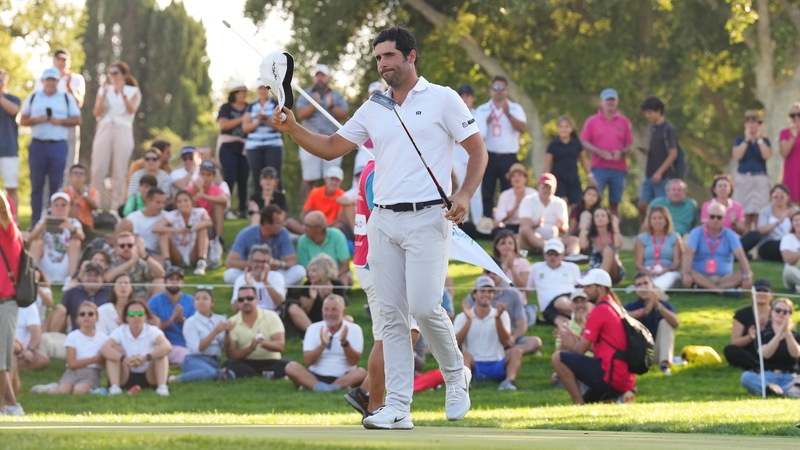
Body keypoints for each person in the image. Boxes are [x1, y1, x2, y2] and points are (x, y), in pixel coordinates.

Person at [272, 26, 486, 428]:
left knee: (424, 307)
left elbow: (477, 150)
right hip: (383, 219)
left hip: (429, 217)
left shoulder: (443, 98)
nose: (383, 64)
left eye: (389, 55)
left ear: (411, 56)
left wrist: (465, 194)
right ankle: (397, 408)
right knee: (392, 319)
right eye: (378, 58)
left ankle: (456, 374)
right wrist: (293, 129)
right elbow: (332, 147)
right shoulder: (374, 107)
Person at [550, 269, 636, 405]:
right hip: (623, 376)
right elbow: (599, 348)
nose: (585, 290)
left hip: (610, 374)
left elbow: (579, 351)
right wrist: (575, 338)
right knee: (590, 402)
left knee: (557, 357)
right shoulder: (614, 307)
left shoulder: (599, 311)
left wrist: (571, 344)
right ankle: (617, 397)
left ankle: (578, 404)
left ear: (600, 288)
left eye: (588, 287)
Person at [20, 66, 82, 223]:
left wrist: (60, 121)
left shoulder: (66, 98)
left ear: (57, 81)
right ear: (43, 81)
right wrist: (36, 120)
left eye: (53, 80)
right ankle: (36, 221)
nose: (50, 83)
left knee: (56, 184)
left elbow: (77, 119)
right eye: (48, 80)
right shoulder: (34, 97)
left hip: (58, 145)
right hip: (38, 144)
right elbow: (23, 120)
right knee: (37, 184)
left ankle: (54, 221)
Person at [475, 75, 527, 228]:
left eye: (502, 88)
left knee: (509, 191)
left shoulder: (515, 108)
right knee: (487, 191)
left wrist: (508, 114)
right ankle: (487, 224)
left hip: (508, 157)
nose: (499, 91)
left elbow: (523, 128)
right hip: (489, 155)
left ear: (507, 90)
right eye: (495, 88)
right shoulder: (482, 109)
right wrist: (486, 121)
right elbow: (475, 132)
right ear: (491, 90)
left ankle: (509, 223)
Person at [454, 276, 523, 391]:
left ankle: (509, 382)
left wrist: (497, 319)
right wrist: (469, 320)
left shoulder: (501, 315)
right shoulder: (462, 317)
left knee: (517, 352)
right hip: (473, 365)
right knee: (464, 354)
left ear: (493, 295)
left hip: (497, 363)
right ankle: (464, 385)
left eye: (490, 291)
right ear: (474, 295)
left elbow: (506, 342)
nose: (486, 294)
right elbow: (455, 345)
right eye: (482, 291)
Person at [286, 295, 366, 391]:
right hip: (315, 375)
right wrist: (322, 345)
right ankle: (326, 387)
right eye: (326, 309)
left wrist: (345, 343)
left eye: (334, 309)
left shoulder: (354, 329)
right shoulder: (313, 328)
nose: (329, 313)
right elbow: (308, 361)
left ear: (343, 311)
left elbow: (353, 361)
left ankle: (323, 387)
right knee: (291, 367)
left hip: (344, 375)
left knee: (361, 373)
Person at [90, 61, 141, 210]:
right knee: (98, 168)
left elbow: (131, 110)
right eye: (110, 73)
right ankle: (94, 205)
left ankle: (117, 208)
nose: (112, 76)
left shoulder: (133, 91)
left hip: (123, 128)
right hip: (105, 127)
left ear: (123, 75)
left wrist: (123, 93)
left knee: (120, 170)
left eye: (115, 73)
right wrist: (103, 97)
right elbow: (97, 113)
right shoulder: (104, 90)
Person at [296, 64, 350, 201]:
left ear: (328, 78)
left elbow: (345, 115)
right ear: (314, 78)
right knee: (309, 178)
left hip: (333, 141)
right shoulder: (306, 94)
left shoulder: (337, 96)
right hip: (309, 141)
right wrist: (313, 104)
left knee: (332, 178)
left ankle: (331, 209)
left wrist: (332, 106)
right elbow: (301, 114)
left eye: (323, 75)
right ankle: (307, 210)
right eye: (317, 75)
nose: (320, 78)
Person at [580, 88, 633, 218]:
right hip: (598, 168)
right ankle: (591, 226)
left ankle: (615, 228)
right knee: (593, 200)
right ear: (601, 102)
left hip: (618, 169)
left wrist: (622, 152)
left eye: (612, 100)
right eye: (607, 100)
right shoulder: (592, 121)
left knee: (615, 203)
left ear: (617, 102)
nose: (610, 103)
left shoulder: (624, 122)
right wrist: (600, 152)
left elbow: (629, 145)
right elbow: (584, 142)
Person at [33, 49, 86, 179]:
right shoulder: (42, 79)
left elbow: (79, 103)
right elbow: (38, 100)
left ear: (69, 62)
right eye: (58, 60)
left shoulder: (76, 79)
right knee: (46, 164)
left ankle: (66, 190)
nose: (61, 63)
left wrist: (68, 85)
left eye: (64, 60)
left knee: (69, 162)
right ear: (53, 61)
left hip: (69, 122)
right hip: (49, 124)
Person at [101, 300, 171, 396]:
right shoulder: (120, 331)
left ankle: (162, 387)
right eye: (132, 314)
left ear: (146, 316)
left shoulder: (152, 330)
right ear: (126, 317)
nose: (136, 317)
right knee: (112, 356)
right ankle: (115, 388)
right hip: (126, 374)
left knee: (162, 355)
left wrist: (145, 358)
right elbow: (105, 348)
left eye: (140, 314)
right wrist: (124, 359)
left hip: (149, 374)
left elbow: (167, 346)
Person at [220, 285, 290, 381]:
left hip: (271, 361)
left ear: (257, 299)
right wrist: (251, 348)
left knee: (289, 365)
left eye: (249, 298)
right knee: (229, 363)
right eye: (241, 300)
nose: (245, 302)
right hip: (245, 362)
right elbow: (232, 355)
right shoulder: (231, 322)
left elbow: (280, 346)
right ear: (237, 303)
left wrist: (262, 343)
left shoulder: (271, 316)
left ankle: (255, 376)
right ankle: (263, 376)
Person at [682, 202, 753, 296]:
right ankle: (722, 291)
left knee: (744, 273)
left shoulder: (730, 234)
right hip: (701, 275)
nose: (715, 220)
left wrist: (746, 276)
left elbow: (741, 256)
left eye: (719, 217)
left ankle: (706, 289)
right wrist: (686, 273)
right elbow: (688, 253)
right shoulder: (696, 232)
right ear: (707, 217)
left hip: (725, 277)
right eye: (712, 217)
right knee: (688, 272)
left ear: (723, 219)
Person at [465, 269, 540, 355]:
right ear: (474, 295)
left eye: (494, 273)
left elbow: (522, 324)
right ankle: (505, 354)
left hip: (508, 336)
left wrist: (512, 338)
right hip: (484, 337)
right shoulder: (472, 298)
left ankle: (502, 354)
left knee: (534, 342)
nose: (491, 275)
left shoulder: (514, 294)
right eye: (487, 272)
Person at [224, 205, 305, 286]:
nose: (281, 225)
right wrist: (255, 264)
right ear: (266, 224)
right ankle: (269, 287)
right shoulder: (246, 234)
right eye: (277, 223)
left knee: (300, 271)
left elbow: (293, 260)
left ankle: (261, 287)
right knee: (229, 275)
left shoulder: (283, 233)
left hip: (274, 273)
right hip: (251, 273)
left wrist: (281, 264)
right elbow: (230, 263)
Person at [170, 287, 233, 383]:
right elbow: (197, 349)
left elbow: (225, 346)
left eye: (205, 298)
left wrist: (227, 332)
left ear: (212, 302)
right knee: (211, 372)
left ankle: (218, 373)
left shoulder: (220, 319)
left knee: (229, 372)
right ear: (194, 303)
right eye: (197, 299)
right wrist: (215, 331)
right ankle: (177, 379)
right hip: (195, 359)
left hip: (215, 361)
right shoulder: (190, 322)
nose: (201, 301)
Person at [740, 298, 800, 396]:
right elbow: (765, 354)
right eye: (778, 310)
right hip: (767, 377)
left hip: (790, 377)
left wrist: (787, 332)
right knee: (747, 376)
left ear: (790, 315)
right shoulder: (763, 335)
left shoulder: (796, 336)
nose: (781, 313)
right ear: (771, 312)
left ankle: (777, 391)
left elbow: (796, 353)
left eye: (785, 312)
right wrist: (779, 334)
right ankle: (780, 391)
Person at [624, 273, 680, 375]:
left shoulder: (664, 305)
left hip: (656, 351)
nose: (643, 287)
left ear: (652, 286)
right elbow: (620, 317)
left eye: (646, 283)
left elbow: (675, 323)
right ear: (636, 289)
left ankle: (664, 365)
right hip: (637, 354)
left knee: (665, 323)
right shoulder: (631, 306)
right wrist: (643, 312)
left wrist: (657, 306)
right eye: (639, 285)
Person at [0, 190, 23, 415]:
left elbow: (3, 210)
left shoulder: (9, 232)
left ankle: (11, 406)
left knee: (1, 361)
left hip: (5, 303)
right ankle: (10, 406)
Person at [28, 192, 84, 283]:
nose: (60, 208)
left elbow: (81, 237)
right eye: (56, 204)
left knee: (76, 242)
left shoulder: (74, 222)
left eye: (63, 205)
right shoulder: (44, 221)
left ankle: (70, 280)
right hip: (47, 261)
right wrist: (42, 227)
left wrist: (71, 229)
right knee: (36, 243)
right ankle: (31, 278)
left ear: (69, 207)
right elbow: (30, 239)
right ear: (51, 207)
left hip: (66, 262)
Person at [638, 96, 678, 223]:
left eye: (650, 112)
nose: (647, 115)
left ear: (658, 111)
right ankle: (644, 230)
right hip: (649, 173)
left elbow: (673, 153)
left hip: (663, 176)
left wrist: (660, 172)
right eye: (646, 113)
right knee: (642, 205)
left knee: (661, 209)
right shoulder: (652, 128)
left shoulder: (668, 129)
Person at [286, 253, 348, 334]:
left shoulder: (337, 284)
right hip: (311, 321)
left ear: (324, 271)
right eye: (309, 270)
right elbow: (304, 312)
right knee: (293, 308)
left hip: (331, 319)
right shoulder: (308, 284)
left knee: (349, 319)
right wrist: (312, 298)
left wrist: (330, 295)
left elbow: (340, 311)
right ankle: (315, 334)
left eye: (314, 271)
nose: (309, 274)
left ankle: (330, 333)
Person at [154, 190, 212, 275]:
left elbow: (208, 222)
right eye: (179, 201)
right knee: (164, 232)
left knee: (203, 230)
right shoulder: (172, 214)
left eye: (185, 200)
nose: (183, 204)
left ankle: (201, 262)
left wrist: (190, 230)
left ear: (191, 201)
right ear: (176, 204)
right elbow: (156, 228)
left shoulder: (200, 211)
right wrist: (179, 230)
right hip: (178, 253)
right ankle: (167, 263)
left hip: (193, 251)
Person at [526, 239, 582, 326]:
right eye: (549, 253)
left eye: (556, 254)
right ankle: (585, 317)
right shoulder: (536, 268)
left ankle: (587, 314)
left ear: (562, 255)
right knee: (561, 322)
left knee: (561, 302)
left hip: (568, 297)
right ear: (544, 254)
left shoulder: (573, 268)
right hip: (547, 307)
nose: (552, 257)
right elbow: (527, 290)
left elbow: (579, 289)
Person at [54, 302, 106, 394]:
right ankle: (51, 388)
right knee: (63, 391)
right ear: (78, 319)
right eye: (82, 314)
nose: (86, 316)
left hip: (91, 372)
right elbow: (72, 364)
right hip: (72, 372)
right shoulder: (72, 336)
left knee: (79, 391)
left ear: (96, 318)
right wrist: (96, 358)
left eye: (90, 314)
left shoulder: (103, 338)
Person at [733, 110, 772, 231]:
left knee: (759, 215)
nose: (751, 125)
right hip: (744, 178)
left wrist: (759, 139)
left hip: (760, 179)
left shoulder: (765, 141)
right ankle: (746, 240)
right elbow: (737, 155)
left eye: (754, 122)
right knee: (744, 215)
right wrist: (747, 140)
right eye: (749, 122)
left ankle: (758, 240)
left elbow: (767, 155)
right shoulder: (739, 140)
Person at [147, 266, 195, 366]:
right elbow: (150, 330)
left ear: (183, 283)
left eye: (178, 279)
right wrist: (171, 320)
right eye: (171, 279)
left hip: (183, 345)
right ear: (165, 282)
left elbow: (195, 330)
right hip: (161, 345)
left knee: (193, 358)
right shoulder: (155, 301)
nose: (174, 282)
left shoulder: (191, 301)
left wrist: (181, 320)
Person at [216, 80, 250, 219]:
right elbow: (224, 125)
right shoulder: (226, 107)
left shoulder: (249, 107)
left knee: (244, 179)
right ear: (235, 93)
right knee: (229, 177)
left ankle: (243, 210)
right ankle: (226, 208)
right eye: (242, 92)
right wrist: (242, 119)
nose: (245, 94)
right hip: (228, 147)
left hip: (244, 148)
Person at [519, 173, 576, 254]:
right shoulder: (528, 200)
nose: (546, 189)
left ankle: (571, 257)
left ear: (555, 188)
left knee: (574, 241)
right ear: (538, 187)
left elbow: (565, 228)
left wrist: (560, 226)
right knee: (526, 230)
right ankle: (549, 249)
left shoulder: (560, 203)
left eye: (549, 187)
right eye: (543, 186)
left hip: (553, 238)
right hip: (530, 240)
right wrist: (536, 224)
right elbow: (525, 225)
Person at [724, 278, 773, 371]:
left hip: (772, 351)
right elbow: (735, 342)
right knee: (730, 350)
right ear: (752, 294)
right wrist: (750, 337)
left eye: (765, 291)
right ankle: (757, 367)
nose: (761, 294)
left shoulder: (778, 312)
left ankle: (768, 366)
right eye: (758, 291)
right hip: (750, 353)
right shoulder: (742, 314)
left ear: (771, 295)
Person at [46, 262, 110, 333]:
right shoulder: (72, 293)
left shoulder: (110, 293)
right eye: (88, 275)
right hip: (77, 334)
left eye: (96, 275)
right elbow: (61, 314)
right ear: (82, 277)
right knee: (60, 308)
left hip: (104, 335)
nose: (92, 278)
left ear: (103, 278)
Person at [452, 84, 483, 226]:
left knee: (475, 191)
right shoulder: (452, 113)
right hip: (457, 157)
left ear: (473, 98)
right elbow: (451, 135)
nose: (465, 99)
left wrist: (460, 137)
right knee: (459, 189)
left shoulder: (479, 115)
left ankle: (477, 225)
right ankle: (462, 223)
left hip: (475, 157)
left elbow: (482, 136)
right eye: (462, 96)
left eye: (467, 96)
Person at [243, 81, 284, 191]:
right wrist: (258, 121)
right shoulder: (251, 106)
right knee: (257, 176)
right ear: (257, 90)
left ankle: (278, 200)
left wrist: (265, 118)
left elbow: (280, 126)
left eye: (265, 88)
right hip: (253, 146)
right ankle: (259, 200)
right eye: (260, 88)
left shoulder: (276, 104)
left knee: (275, 175)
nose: (262, 91)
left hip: (273, 145)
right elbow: (245, 127)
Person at [740, 184, 798, 260]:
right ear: (771, 197)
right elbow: (761, 230)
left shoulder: (795, 210)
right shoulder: (765, 211)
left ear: (787, 197)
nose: (779, 198)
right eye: (775, 196)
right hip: (771, 243)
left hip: (791, 241)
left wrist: (794, 219)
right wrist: (779, 221)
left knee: (788, 244)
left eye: (782, 196)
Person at [544, 116, 591, 207]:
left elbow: (584, 161)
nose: (563, 129)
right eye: (561, 127)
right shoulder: (553, 145)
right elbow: (547, 164)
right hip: (558, 179)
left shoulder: (577, 143)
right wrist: (545, 180)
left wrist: (590, 175)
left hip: (573, 178)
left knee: (576, 206)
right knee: (562, 203)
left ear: (571, 128)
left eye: (566, 127)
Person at [103, 231, 166, 299]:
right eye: (122, 246)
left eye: (130, 245)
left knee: (159, 282)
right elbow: (107, 278)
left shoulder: (141, 262)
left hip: (142, 299)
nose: (126, 248)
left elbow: (161, 274)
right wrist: (131, 261)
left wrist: (145, 256)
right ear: (116, 249)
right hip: (120, 299)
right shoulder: (113, 262)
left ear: (136, 247)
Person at [634, 206, 683, 292]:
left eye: (660, 218)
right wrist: (647, 271)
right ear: (649, 222)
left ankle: (653, 289)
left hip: (669, 271)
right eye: (654, 218)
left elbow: (677, 262)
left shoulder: (675, 237)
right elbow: (638, 263)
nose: (657, 221)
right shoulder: (642, 238)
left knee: (670, 276)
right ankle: (652, 288)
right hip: (648, 271)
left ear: (666, 221)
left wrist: (666, 270)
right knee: (643, 277)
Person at [117, 188, 167, 265]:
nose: (161, 206)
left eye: (164, 203)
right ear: (148, 201)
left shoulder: (166, 216)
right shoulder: (133, 217)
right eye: (158, 202)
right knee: (125, 224)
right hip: (134, 249)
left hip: (152, 252)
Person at [230, 245, 286, 314]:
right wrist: (249, 287)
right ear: (251, 262)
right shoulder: (242, 279)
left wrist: (265, 281)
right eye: (256, 261)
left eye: (263, 262)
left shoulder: (277, 277)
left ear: (269, 263)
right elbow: (235, 309)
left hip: (272, 315)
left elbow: (279, 303)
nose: (260, 265)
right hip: (250, 316)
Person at [579, 207, 626, 284]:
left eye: (603, 216)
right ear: (593, 220)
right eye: (597, 216)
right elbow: (582, 245)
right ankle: (599, 279)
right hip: (595, 268)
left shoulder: (613, 234)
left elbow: (618, 245)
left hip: (614, 270)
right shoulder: (591, 236)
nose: (600, 218)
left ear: (609, 219)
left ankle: (599, 281)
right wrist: (584, 227)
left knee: (608, 250)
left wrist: (615, 225)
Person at [187, 161, 227, 242]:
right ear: (199, 175)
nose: (205, 177)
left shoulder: (217, 189)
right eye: (203, 174)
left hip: (210, 223)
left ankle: (218, 239)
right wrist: (195, 190)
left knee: (218, 205)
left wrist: (204, 196)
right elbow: (180, 200)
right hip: (194, 222)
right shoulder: (191, 188)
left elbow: (224, 199)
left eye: (208, 175)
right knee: (192, 200)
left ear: (213, 177)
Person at [492, 163, 535, 235]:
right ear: (510, 179)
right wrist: (515, 207)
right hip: (510, 226)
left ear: (525, 178)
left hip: (529, 226)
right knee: (496, 231)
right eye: (513, 176)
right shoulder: (505, 195)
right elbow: (499, 218)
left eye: (520, 175)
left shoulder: (533, 193)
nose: (516, 178)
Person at [0, 68, 21, 209]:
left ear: (6, 82)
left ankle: (13, 219)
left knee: (11, 188)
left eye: (1, 80)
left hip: (9, 150)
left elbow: (14, 110)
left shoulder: (13, 99)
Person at [62, 164, 100, 233]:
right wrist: (72, 202)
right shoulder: (63, 192)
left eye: (81, 174)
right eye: (75, 173)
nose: (78, 176)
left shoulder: (92, 192)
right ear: (70, 176)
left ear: (85, 177)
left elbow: (96, 207)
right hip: (67, 226)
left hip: (86, 227)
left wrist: (83, 194)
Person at [15, 301, 50, 371]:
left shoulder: (29, 306)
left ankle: (10, 368)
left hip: (21, 352)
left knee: (42, 359)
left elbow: (36, 333)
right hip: (7, 346)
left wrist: (29, 349)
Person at [779, 102, 800, 202]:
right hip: (792, 175)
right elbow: (784, 153)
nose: (796, 118)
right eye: (793, 115)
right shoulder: (784, 133)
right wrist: (793, 137)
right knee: (792, 206)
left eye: (799, 115)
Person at [780, 211, 800, 292]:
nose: (798, 223)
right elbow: (787, 259)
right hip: (793, 274)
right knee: (789, 271)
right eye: (796, 220)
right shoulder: (787, 238)